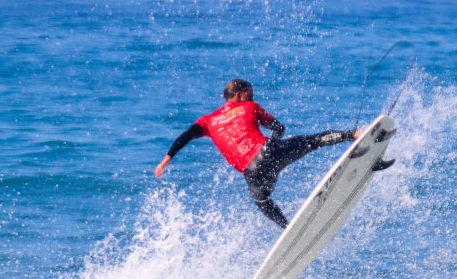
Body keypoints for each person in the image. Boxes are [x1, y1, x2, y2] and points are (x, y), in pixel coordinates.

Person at [155, 79, 390, 228]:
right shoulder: (250, 107)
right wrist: (275, 147)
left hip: (252, 173)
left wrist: (166, 160)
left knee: (263, 202)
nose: (253, 97)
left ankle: (288, 228)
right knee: (313, 140)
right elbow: (279, 127)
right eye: (250, 93)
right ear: (238, 95)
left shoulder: (207, 121)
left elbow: (186, 135)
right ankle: (355, 135)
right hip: (267, 152)